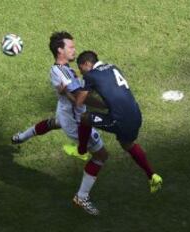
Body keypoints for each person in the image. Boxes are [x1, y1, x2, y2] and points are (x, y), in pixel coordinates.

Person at [12, 32, 109, 215]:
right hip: (75, 121)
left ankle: (21, 136)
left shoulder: (61, 69)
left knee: (53, 123)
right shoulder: (63, 73)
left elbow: (72, 95)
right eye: (71, 47)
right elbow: (79, 100)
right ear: (60, 50)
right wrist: (107, 105)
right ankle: (82, 196)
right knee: (101, 156)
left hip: (64, 113)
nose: (74, 50)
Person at [74, 50, 163, 194]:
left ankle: (81, 151)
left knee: (84, 117)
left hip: (119, 120)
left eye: (80, 68)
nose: (81, 72)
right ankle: (152, 176)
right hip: (136, 115)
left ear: (86, 64)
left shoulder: (90, 76)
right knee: (127, 144)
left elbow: (79, 102)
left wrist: (67, 91)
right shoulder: (113, 67)